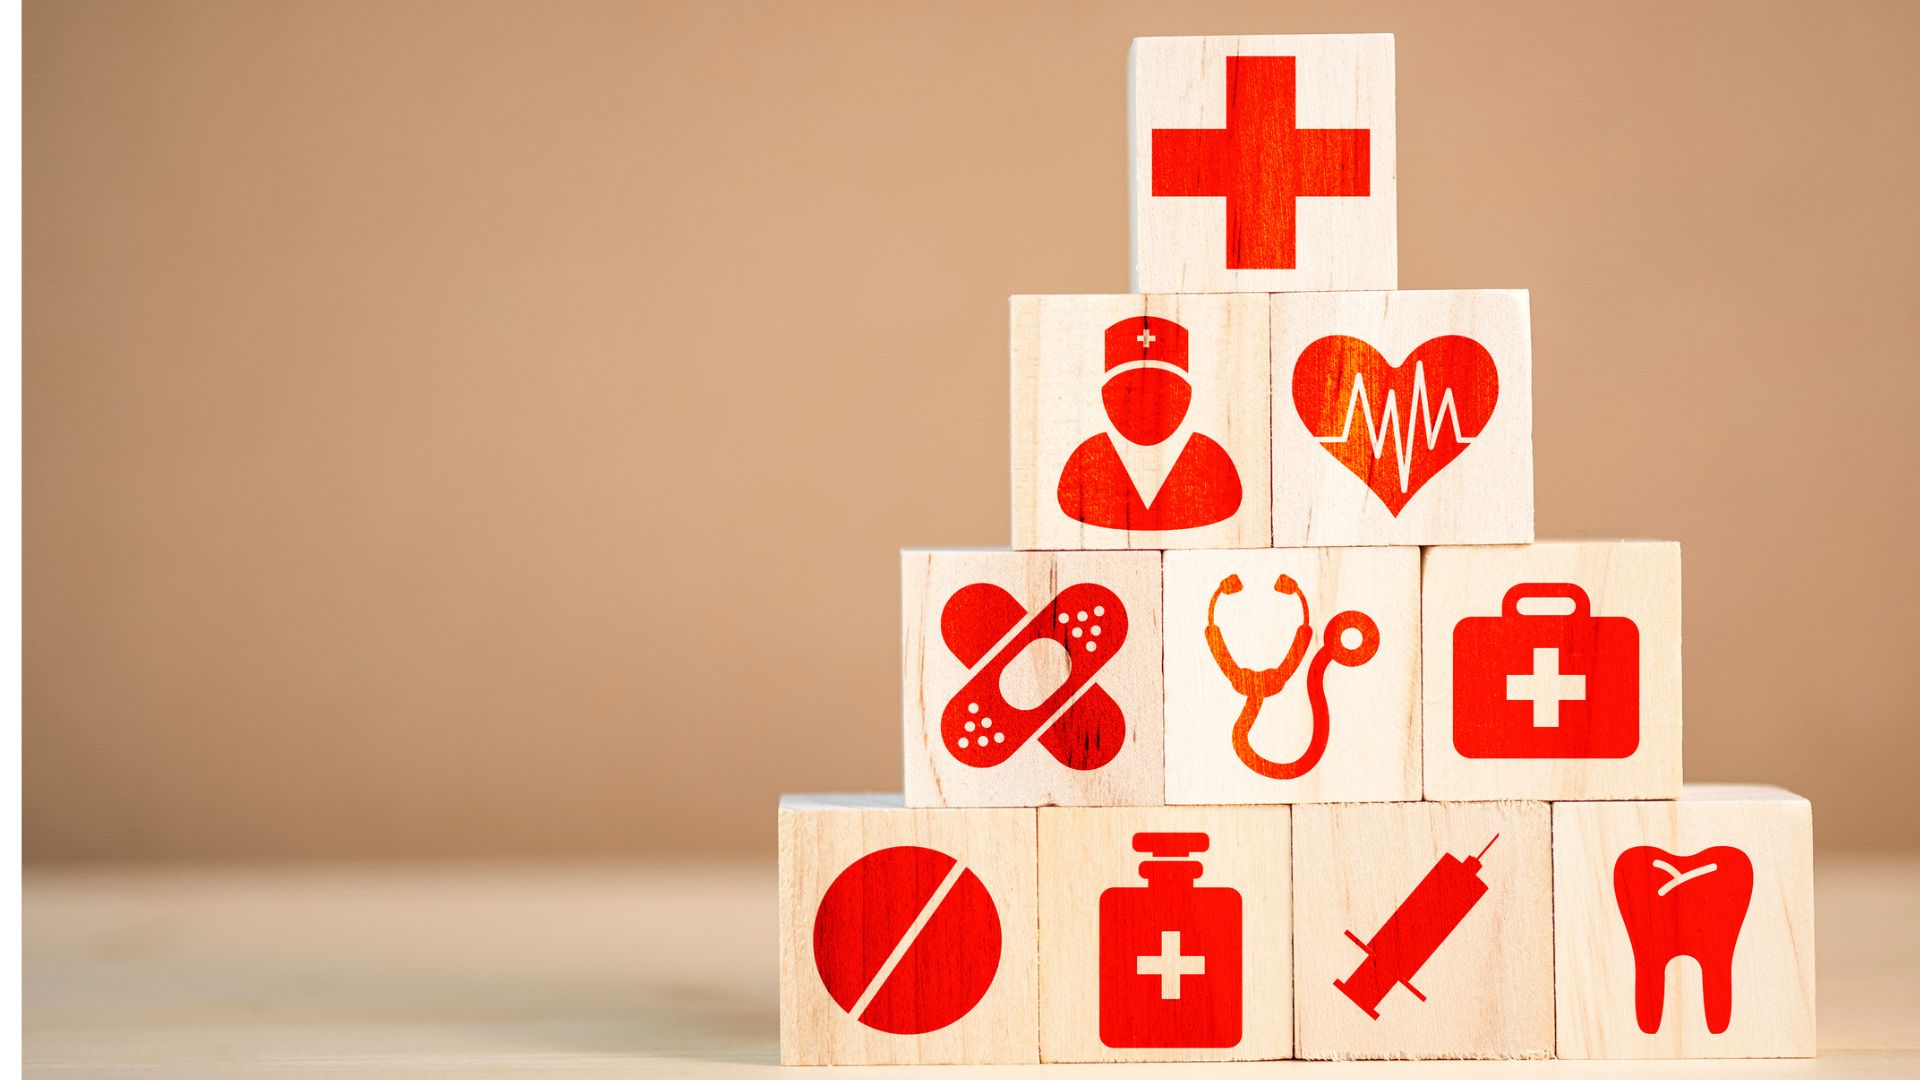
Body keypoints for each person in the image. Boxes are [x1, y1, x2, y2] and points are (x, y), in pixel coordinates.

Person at [1057, 315, 1241, 530]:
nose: (1145, 403)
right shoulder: (1085, 463)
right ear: (1105, 396)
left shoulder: (1212, 461)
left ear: (1187, 395)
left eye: (1162, 391)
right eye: (1128, 391)